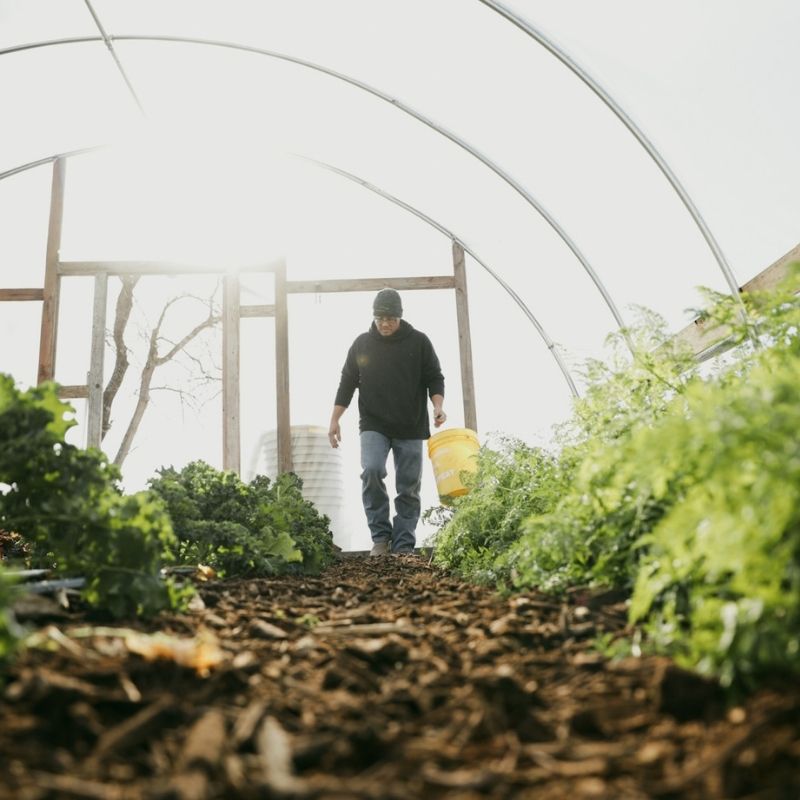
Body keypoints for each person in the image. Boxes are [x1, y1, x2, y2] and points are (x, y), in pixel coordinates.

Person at [328, 288, 446, 556]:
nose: (384, 323)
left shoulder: (419, 342)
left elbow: (435, 378)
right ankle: (380, 537)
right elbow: (347, 383)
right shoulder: (361, 344)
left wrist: (438, 406)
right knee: (371, 470)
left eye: (390, 318)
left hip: (411, 425)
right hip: (374, 423)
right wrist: (334, 420)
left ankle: (403, 544)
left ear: (400, 317)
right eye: (380, 318)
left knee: (408, 486)